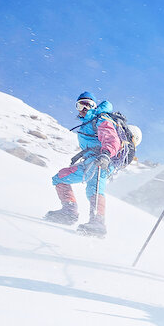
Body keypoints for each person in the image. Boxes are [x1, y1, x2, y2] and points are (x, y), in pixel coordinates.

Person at [44, 92, 121, 238]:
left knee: (94, 187)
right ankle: (69, 211)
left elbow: (112, 138)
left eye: (88, 104)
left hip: (102, 160)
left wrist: (105, 154)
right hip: (89, 162)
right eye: (80, 104)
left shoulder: (100, 118)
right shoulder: (86, 123)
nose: (84, 108)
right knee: (60, 177)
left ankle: (97, 223)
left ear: (94, 106)